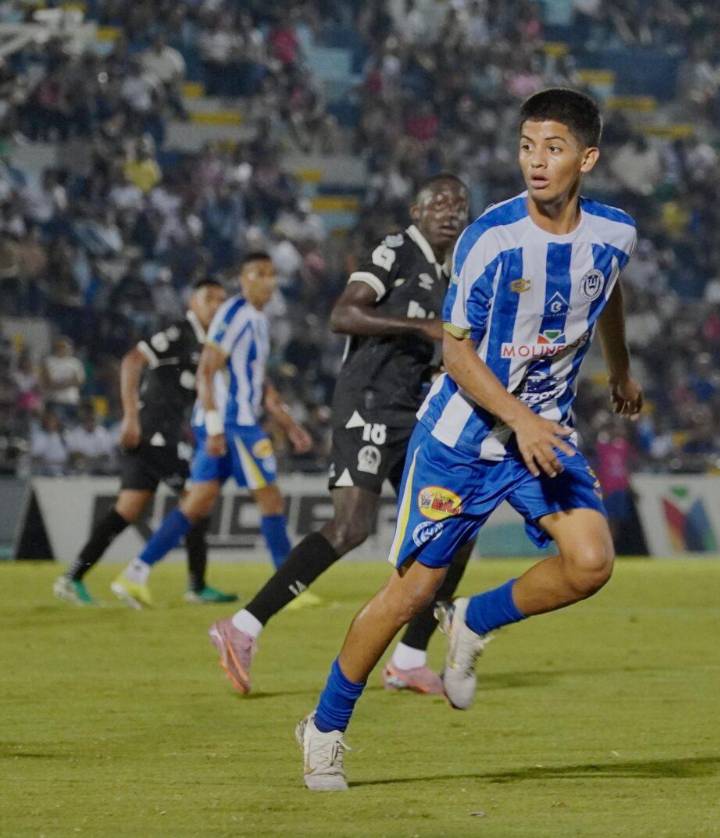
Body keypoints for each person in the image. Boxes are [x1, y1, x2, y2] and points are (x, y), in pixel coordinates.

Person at [295, 87, 643, 791]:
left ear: (588, 157)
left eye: (552, 147)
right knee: (406, 595)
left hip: (541, 433)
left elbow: (606, 293)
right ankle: (326, 727)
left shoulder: (615, 234)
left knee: (591, 562)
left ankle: (475, 619)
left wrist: (621, 371)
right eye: (525, 145)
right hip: (464, 438)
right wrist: (518, 418)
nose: (535, 162)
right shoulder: (491, 239)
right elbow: (455, 354)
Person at [207, 174, 475, 696]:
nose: (450, 212)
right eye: (439, 201)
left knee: (453, 530)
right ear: (417, 210)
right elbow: (344, 314)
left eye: (459, 205)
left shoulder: (451, 275)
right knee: (351, 525)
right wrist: (420, 329)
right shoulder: (397, 249)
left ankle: (409, 659)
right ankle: (241, 628)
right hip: (369, 403)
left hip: (416, 413)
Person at [109, 253, 313, 608]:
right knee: (270, 498)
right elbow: (207, 368)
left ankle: (135, 573)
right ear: (244, 279)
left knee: (197, 503)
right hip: (234, 425)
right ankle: (288, 587)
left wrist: (289, 425)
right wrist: (217, 427)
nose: (268, 280)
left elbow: (257, 381)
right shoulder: (234, 313)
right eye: (259, 273)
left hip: (231, 423)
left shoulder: (258, 321)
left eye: (271, 274)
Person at [53, 279, 232, 606]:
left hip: (162, 435)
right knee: (197, 500)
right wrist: (130, 416)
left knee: (124, 512)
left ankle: (72, 577)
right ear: (193, 302)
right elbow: (132, 361)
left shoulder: (211, 343)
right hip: (152, 434)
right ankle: (196, 585)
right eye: (209, 298)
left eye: (222, 300)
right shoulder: (180, 333)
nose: (216, 305)